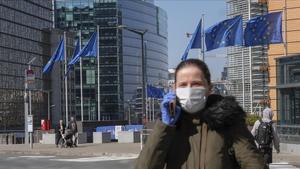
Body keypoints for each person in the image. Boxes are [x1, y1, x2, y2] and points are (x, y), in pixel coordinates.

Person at [134, 59, 267, 169]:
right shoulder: (168, 127)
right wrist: (164, 126)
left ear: (209, 88)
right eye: (183, 85)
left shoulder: (228, 121)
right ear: (174, 89)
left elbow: (254, 163)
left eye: (196, 84)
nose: (189, 89)